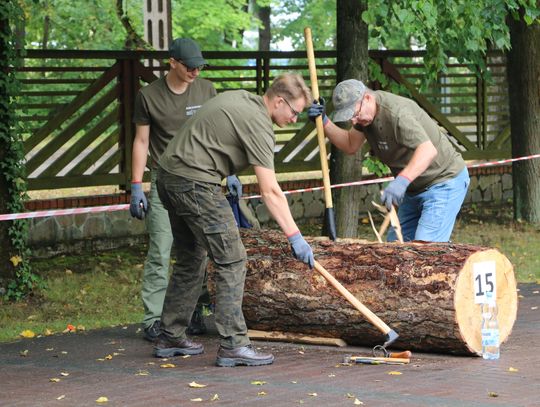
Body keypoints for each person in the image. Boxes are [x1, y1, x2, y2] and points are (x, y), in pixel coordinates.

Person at [154, 72, 315, 367]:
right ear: (279, 101)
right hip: (194, 182)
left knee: (192, 255)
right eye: (294, 112)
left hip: (168, 176)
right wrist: (295, 236)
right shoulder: (259, 124)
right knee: (232, 259)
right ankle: (233, 344)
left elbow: (215, 134)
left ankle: (171, 335)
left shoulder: (242, 98)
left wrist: (229, 173)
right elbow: (270, 190)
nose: (295, 119)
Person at [131, 38, 233, 342]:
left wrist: (229, 173)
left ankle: (192, 312)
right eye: (190, 66)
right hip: (165, 180)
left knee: (200, 248)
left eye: (200, 66)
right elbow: (141, 141)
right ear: (172, 62)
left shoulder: (207, 90)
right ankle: (153, 318)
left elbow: (220, 134)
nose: (195, 72)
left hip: (203, 180)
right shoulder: (148, 96)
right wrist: (137, 185)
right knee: (161, 249)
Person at [308, 79, 470, 242]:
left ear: (368, 98)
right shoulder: (365, 116)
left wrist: (401, 181)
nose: (354, 121)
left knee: (425, 249)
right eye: (350, 117)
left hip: (443, 181)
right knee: (395, 248)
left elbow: (427, 151)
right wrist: (324, 121)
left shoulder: (397, 114)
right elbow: (350, 144)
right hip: (413, 189)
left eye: (355, 114)